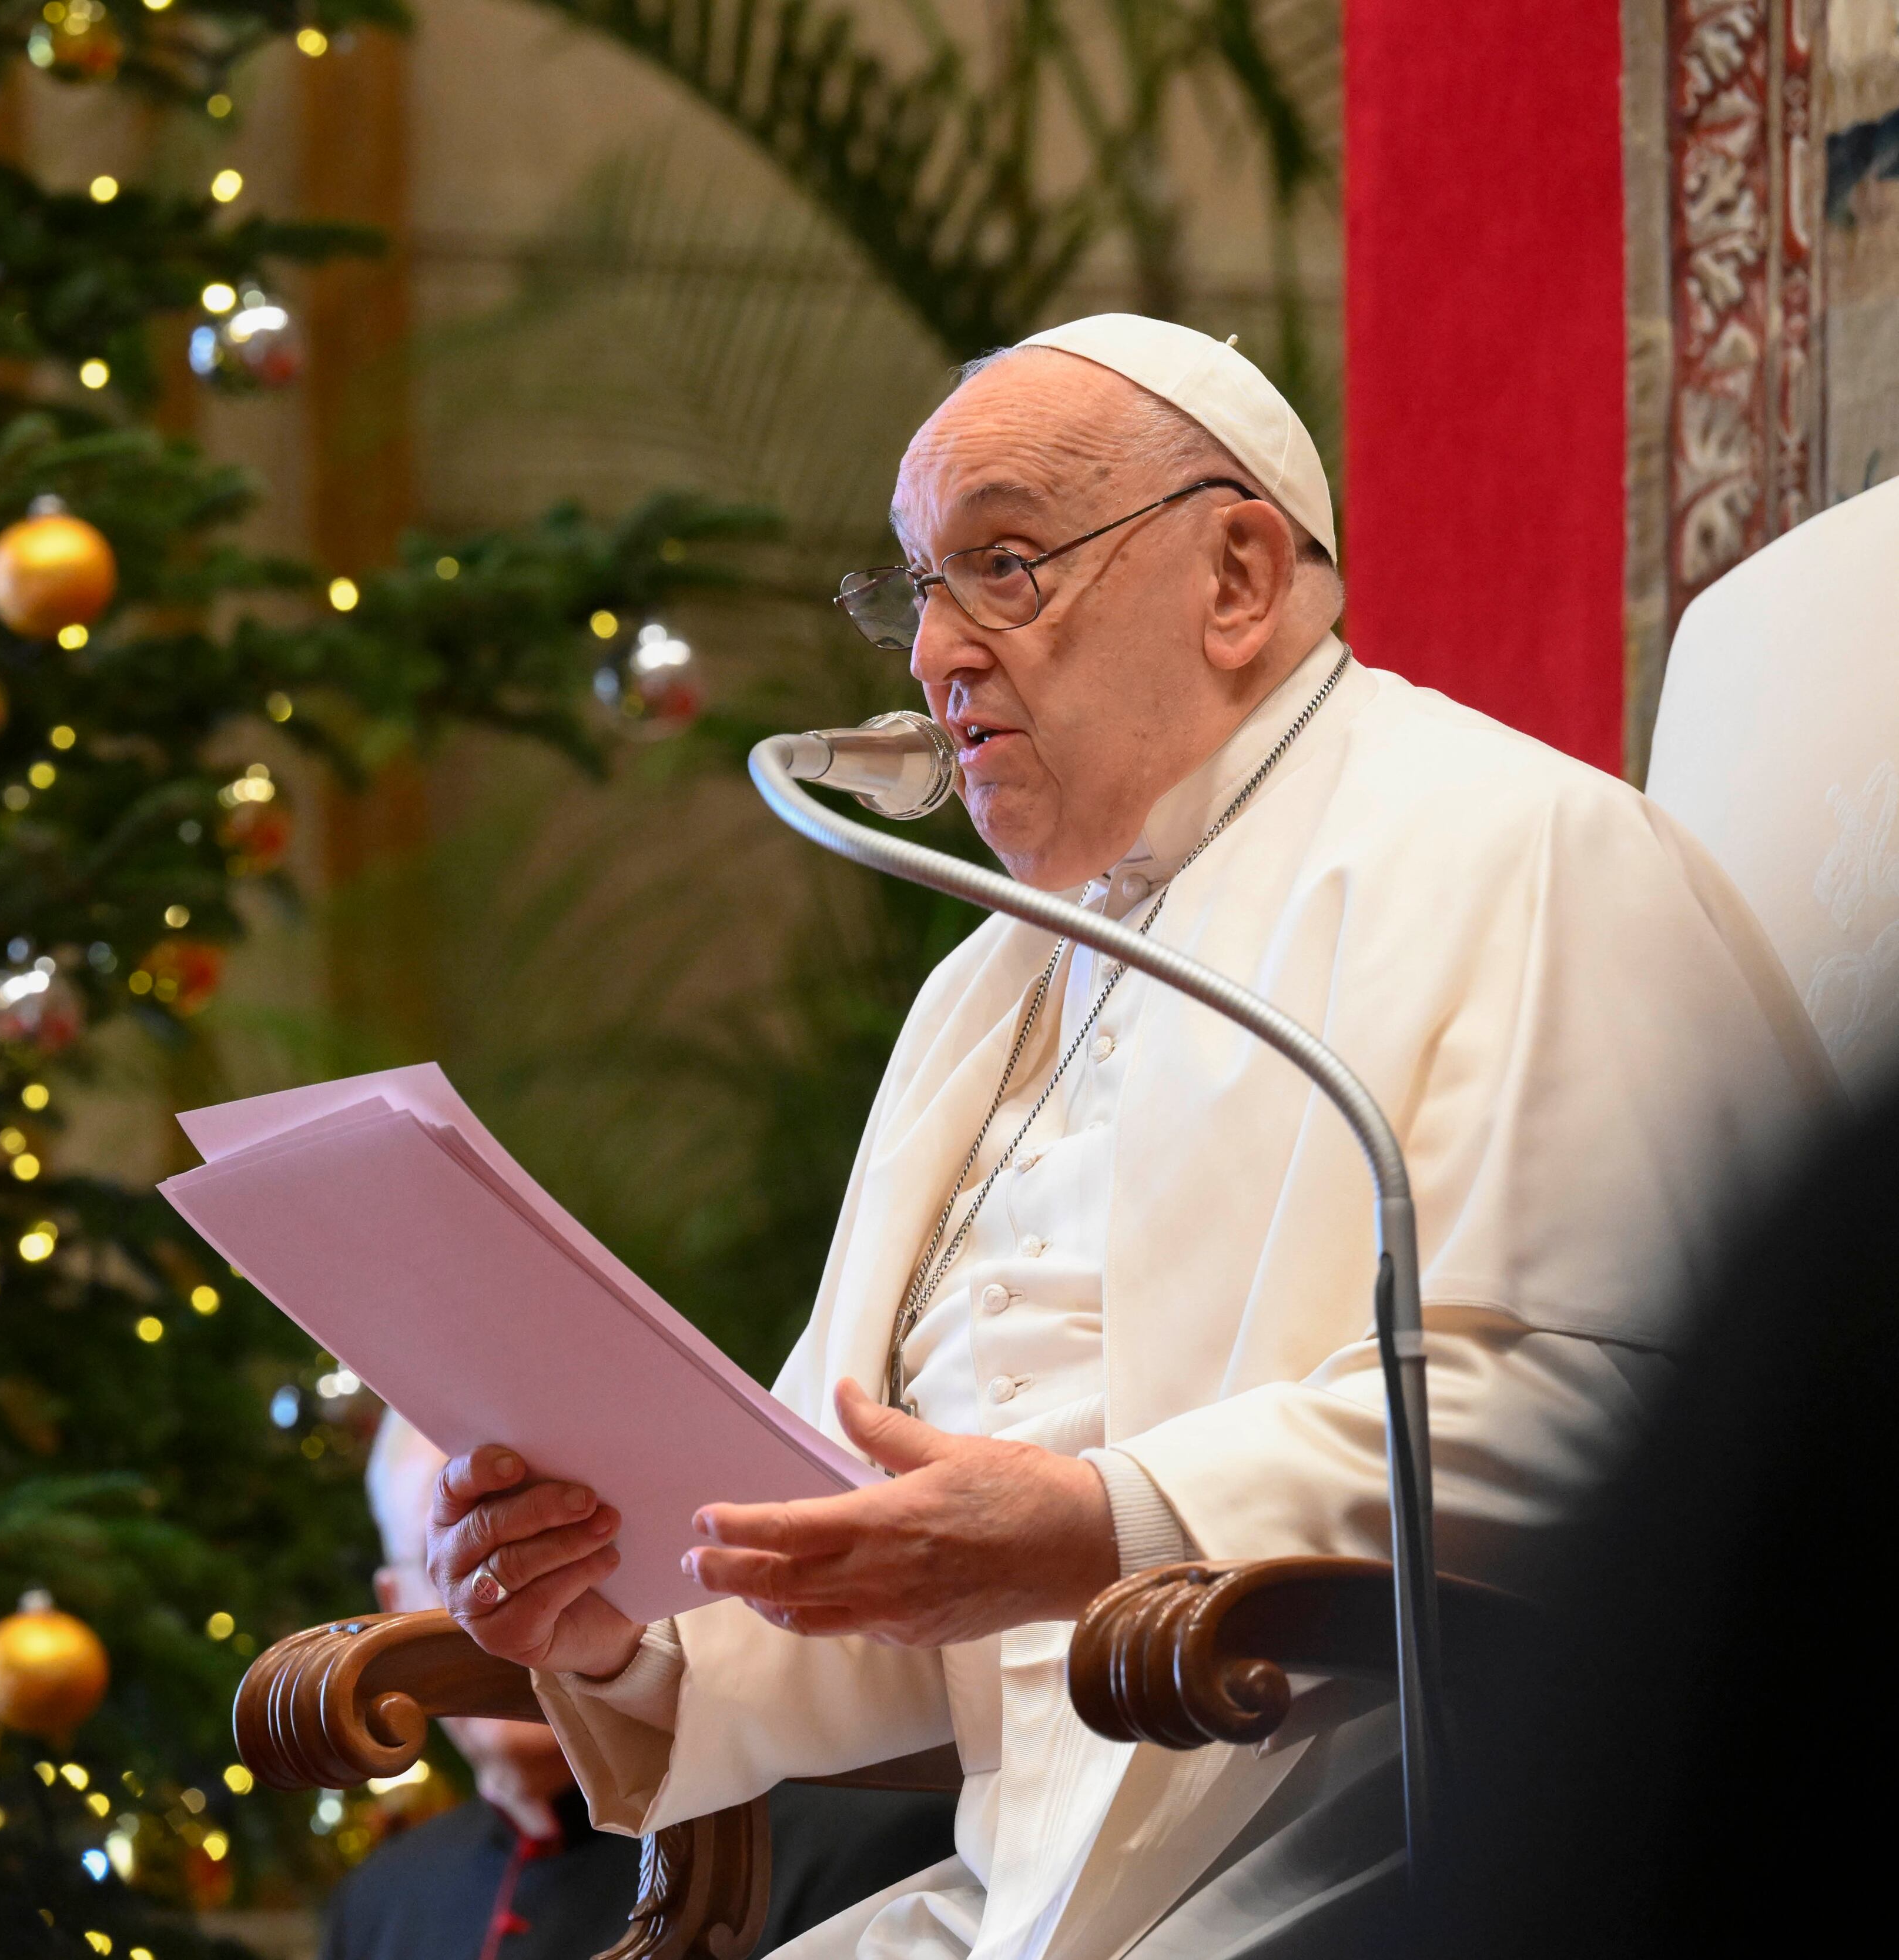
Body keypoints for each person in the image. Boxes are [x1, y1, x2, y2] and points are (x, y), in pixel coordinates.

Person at [411, 315, 1835, 1960]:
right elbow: (867, 1547)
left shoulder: (1527, 852)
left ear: (1237, 577)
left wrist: (1114, 1520)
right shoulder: (988, 985)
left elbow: (1645, 1419)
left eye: (1002, 564)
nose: (933, 651)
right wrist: (611, 1624)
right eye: (915, 588)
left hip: (1402, 1844)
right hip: (1023, 1892)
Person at [324, 1414, 955, 1960]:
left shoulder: (861, 1845)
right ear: (393, 1603)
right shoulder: (377, 1901)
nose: (509, 1607)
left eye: (539, 1545)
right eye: (454, 1562)